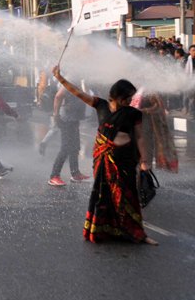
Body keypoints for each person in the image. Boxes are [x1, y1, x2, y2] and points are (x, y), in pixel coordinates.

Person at [52, 65, 157, 245]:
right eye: (128, 98)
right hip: (103, 159)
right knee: (103, 195)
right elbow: (76, 92)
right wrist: (60, 78)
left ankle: (139, 234)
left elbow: (139, 137)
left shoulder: (133, 113)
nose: (130, 101)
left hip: (125, 160)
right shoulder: (99, 104)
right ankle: (103, 230)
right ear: (118, 97)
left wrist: (145, 161)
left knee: (128, 196)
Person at [47, 86, 90, 186]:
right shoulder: (70, 78)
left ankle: (75, 174)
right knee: (65, 148)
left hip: (74, 119)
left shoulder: (77, 80)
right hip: (67, 119)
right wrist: (56, 115)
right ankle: (54, 176)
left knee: (75, 147)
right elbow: (58, 96)